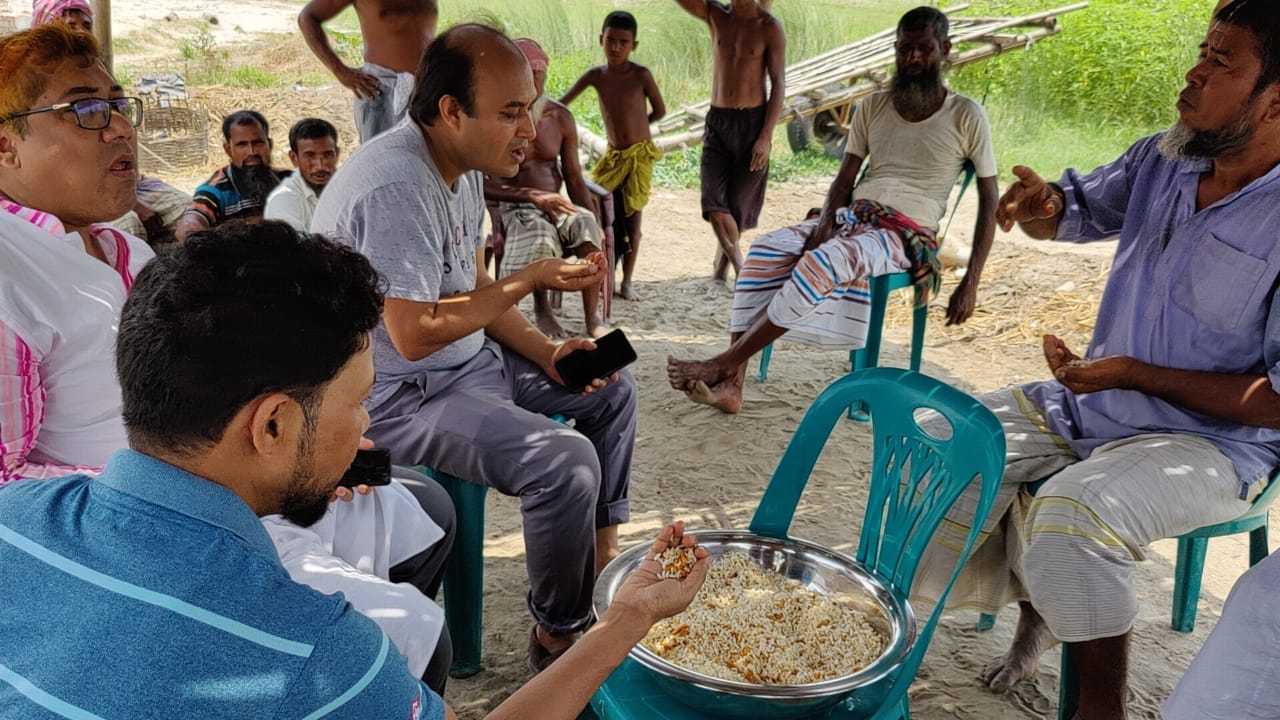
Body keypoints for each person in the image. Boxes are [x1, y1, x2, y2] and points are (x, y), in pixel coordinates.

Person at [0, 220, 710, 719]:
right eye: (360, 401)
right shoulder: (313, 652)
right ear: (273, 424)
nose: (367, 425)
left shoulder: (16, 520)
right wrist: (628, 618)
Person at [909, 3, 1280, 718]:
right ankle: (1023, 608)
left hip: (1214, 443)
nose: (1193, 72)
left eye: (1220, 62)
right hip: (1094, 402)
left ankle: (1097, 707)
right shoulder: (1164, 158)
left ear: (1275, 101)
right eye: (1201, 50)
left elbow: (1275, 401)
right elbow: (1071, 213)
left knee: (1074, 515)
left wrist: (1134, 372)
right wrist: (1042, 206)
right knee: (933, 441)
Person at [311, 23, 641, 673]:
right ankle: (559, 637)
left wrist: (548, 352)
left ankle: (601, 572)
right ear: (451, 111)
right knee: (564, 461)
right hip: (402, 394)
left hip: (469, 366)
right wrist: (533, 277)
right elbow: (415, 331)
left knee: (613, 376)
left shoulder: (460, 165)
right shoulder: (395, 184)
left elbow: (472, 283)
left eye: (533, 108)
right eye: (512, 113)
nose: (529, 130)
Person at [667, 6, 999, 414]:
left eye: (925, 49)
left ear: (945, 50)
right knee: (763, 252)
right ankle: (733, 385)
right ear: (895, 49)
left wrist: (972, 282)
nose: (913, 59)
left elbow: (989, 201)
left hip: (905, 234)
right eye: (905, 49)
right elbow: (844, 179)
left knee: (825, 262)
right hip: (854, 217)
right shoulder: (873, 106)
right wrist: (825, 224)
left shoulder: (966, 114)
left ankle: (724, 362)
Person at [0, 24, 153, 484]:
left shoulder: (129, 252)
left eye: (118, 106)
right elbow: (5, 484)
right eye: (86, 108)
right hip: (113, 537)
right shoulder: (12, 273)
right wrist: (169, 488)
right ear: (6, 147)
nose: (122, 128)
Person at [484, 38, 609, 339]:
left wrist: (592, 215)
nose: (533, 84)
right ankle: (543, 309)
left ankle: (592, 317)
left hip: (556, 202)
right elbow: (482, 185)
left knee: (587, 225)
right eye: (526, 77)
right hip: (516, 204)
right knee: (539, 234)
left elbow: (575, 177)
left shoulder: (559, 117)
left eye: (537, 77)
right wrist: (532, 196)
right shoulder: (496, 118)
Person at [673, 0, 784, 290]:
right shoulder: (714, 14)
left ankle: (720, 267)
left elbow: (779, 83)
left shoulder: (769, 27)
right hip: (718, 123)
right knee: (714, 203)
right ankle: (741, 268)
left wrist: (766, 137)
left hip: (753, 125)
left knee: (736, 206)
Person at [561, 11, 666, 302]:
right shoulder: (596, 76)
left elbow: (659, 110)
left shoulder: (640, 75)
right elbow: (563, 103)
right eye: (611, 41)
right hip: (613, 157)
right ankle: (600, 270)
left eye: (623, 42)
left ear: (634, 44)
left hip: (639, 158)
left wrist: (636, 128)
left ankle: (628, 281)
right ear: (601, 40)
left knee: (633, 220)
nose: (616, 47)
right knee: (597, 210)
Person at [299, 0, 439, 143]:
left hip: (428, 87)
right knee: (381, 160)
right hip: (379, 91)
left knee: (429, 160)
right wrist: (339, 70)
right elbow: (308, 17)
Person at [175, 110, 289, 241]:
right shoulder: (215, 191)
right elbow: (192, 221)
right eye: (242, 145)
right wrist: (193, 232)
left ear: (270, 145)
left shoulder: (287, 179)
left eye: (258, 143)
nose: (252, 152)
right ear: (228, 150)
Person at [265, 117, 341, 232]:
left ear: (337, 153)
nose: (320, 166)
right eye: (310, 156)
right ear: (294, 158)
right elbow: (295, 248)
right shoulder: (283, 201)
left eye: (327, 155)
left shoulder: (348, 187)